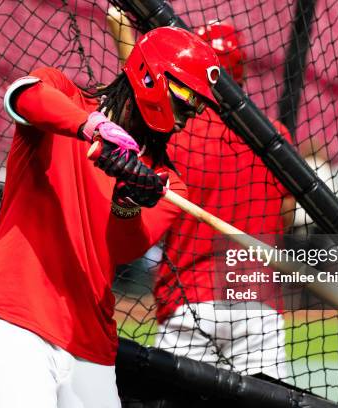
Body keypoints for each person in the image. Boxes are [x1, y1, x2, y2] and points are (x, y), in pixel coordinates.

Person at [0, 26, 221, 408]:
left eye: (196, 109)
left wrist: (129, 198)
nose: (187, 119)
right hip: (16, 321)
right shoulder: (63, 96)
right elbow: (22, 96)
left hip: (90, 346)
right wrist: (92, 128)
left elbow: (120, 247)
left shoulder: (166, 184)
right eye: (186, 103)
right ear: (152, 78)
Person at [107, 14, 295, 381]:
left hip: (189, 301)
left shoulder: (179, 131)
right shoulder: (273, 135)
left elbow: (143, 88)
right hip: (256, 301)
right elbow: (286, 215)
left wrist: (121, 31)